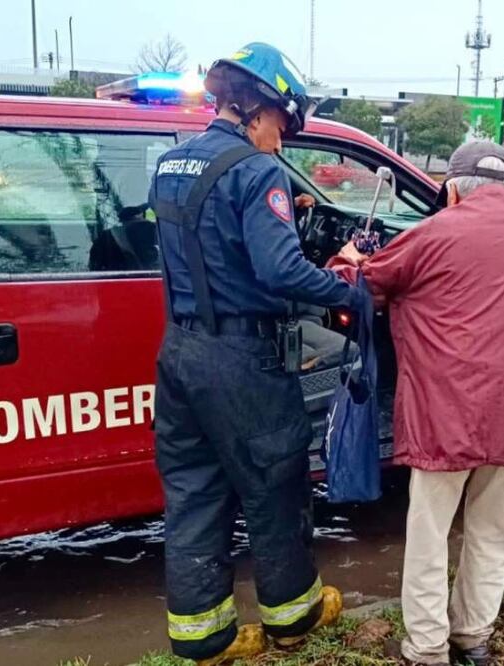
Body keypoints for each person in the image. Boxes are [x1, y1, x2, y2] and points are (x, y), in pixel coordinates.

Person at [149, 43, 354, 666]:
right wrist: (347, 285)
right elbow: (279, 270)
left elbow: (206, 253)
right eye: (284, 125)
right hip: (241, 359)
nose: (283, 140)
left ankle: (203, 640)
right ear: (261, 108)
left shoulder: (171, 164)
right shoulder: (254, 170)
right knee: (275, 486)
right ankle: (294, 618)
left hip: (180, 352)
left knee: (193, 492)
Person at [331, 142, 504, 666]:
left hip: (450, 412)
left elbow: (364, 285)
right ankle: (472, 636)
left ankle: (427, 648)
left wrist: (348, 259)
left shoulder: (434, 231)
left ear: (454, 188)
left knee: (430, 531)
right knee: (495, 530)